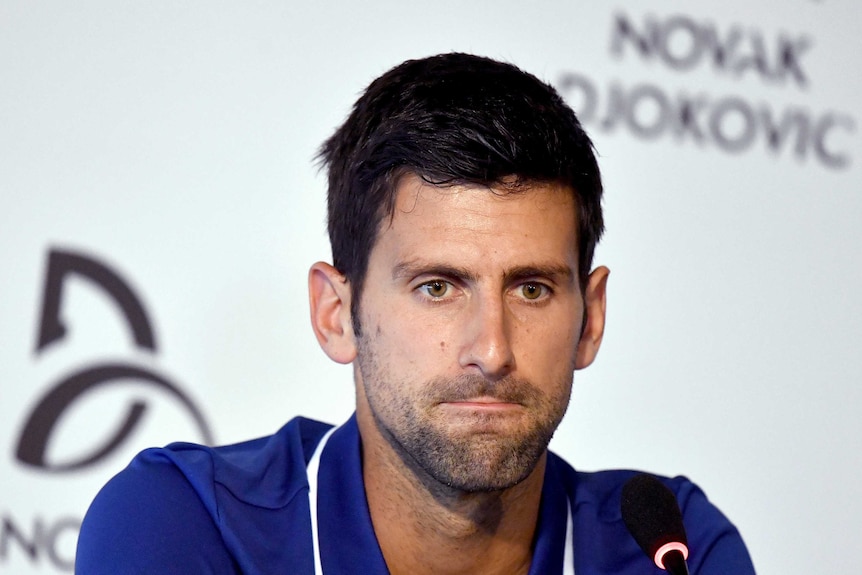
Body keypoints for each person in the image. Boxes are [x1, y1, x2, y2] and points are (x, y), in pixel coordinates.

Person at [75, 53, 755, 574]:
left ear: (591, 317)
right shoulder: (186, 525)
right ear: (337, 313)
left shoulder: (671, 550)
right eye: (438, 286)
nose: (491, 349)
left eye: (532, 289)